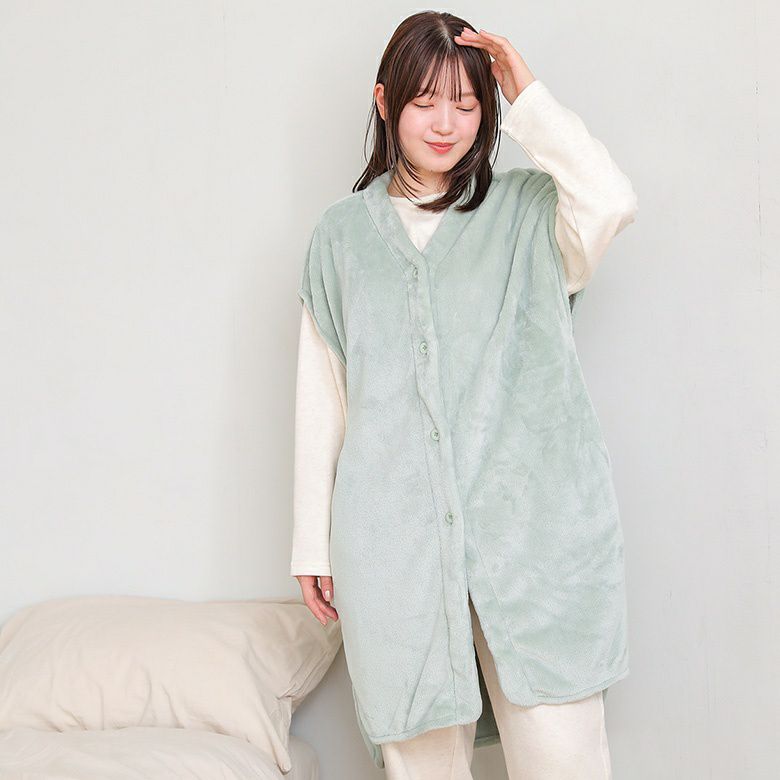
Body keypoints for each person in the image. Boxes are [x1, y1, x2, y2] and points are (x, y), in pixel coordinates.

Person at [291, 11, 637, 779]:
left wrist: (528, 95)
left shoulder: (532, 214)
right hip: (395, 549)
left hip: (537, 547)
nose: (445, 124)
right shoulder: (341, 240)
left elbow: (611, 200)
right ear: (385, 102)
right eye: (424, 102)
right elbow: (325, 395)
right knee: (421, 763)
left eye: (466, 102)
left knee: (564, 760)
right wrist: (312, 542)